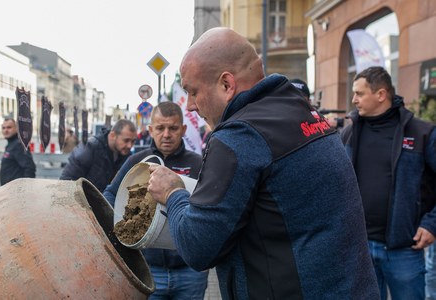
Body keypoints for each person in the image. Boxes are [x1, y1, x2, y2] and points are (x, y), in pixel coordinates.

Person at [146, 27, 379, 299]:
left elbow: (197, 247)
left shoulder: (239, 136)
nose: (190, 107)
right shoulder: (301, 110)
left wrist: (173, 193)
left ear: (226, 84)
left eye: (193, 92)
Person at [340, 66, 436, 300]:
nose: (354, 100)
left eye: (359, 94)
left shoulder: (421, 133)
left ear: (381, 94)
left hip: (404, 249)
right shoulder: (349, 132)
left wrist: (432, 223)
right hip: (359, 248)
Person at [103, 102, 208, 299]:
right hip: (149, 269)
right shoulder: (138, 162)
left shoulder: (198, 162)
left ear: (183, 129)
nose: (166, 134)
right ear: (151, 129)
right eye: (160, 128)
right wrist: (120, 223)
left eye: (173, 128)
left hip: (190, 272)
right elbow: (110, 194)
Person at [60, 119, 136, 192]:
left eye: (133, 141)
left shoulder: (126, 155)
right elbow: (67, 181)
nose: (130, 146)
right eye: (126, 140)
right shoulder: (90, 147)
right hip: (83, 202)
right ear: (112, 135)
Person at [0, 118, 36, 185]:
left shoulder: (19, 145)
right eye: (3, 128)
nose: (6, 130)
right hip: (8, 189)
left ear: (16, 128)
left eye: (9, 127)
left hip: (15, 190)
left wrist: (25, 188)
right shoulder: (10, 144)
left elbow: (30, 168)